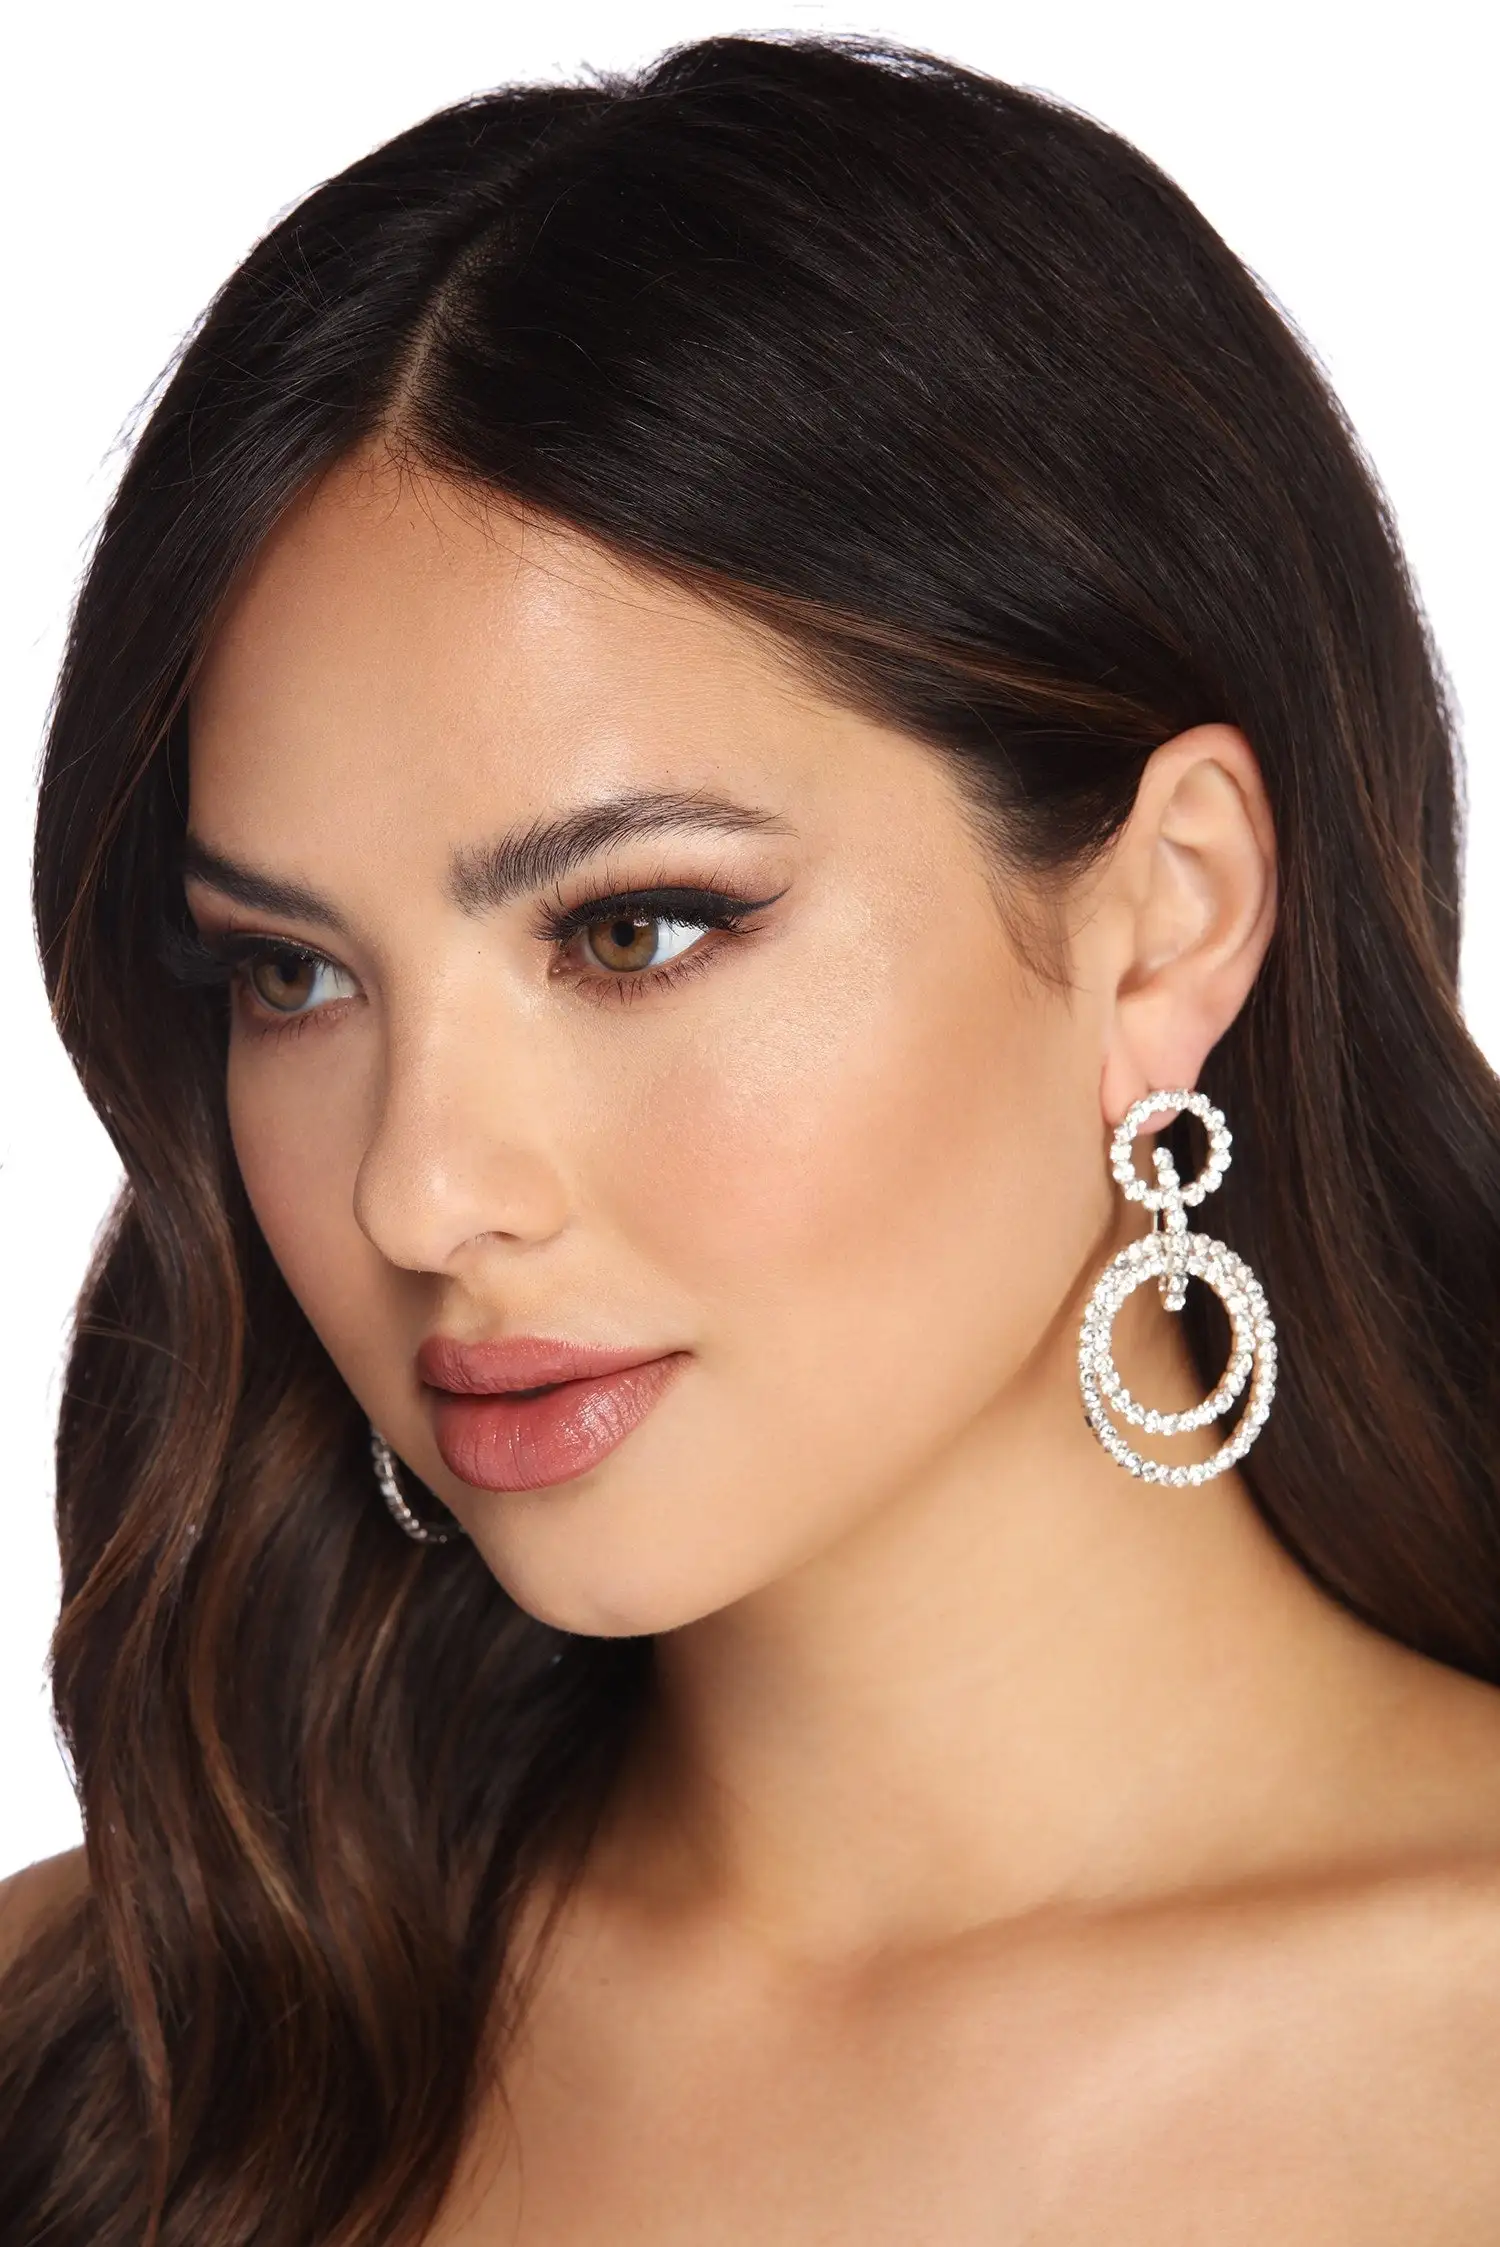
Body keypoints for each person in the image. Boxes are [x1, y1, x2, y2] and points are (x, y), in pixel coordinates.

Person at [3, 27, 1500, 2244]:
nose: (419, 1192)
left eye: (633, 927)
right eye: (293, 975)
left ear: (1167, 916)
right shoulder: (104, 2040)